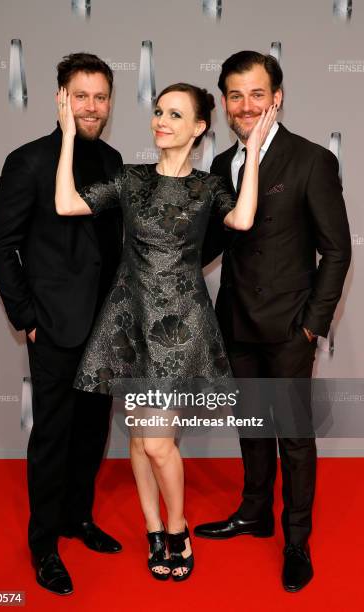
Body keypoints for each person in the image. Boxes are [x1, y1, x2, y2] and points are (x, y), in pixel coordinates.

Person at [55, 81, 277, 581]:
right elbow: (67, 204)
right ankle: (155, 529)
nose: (162, 121)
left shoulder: (209, 186)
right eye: (158, 112)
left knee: (157, 441)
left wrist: (254, 153)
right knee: (140, 438)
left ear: (199, 128)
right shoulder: (129, 179)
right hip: (129, 319)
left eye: (176, 115)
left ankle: (178, 531)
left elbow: (242, 219)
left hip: (180, 326)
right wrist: (69, 134)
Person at [195, 50, 351, 592]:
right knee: (252, 428)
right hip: (235, 320)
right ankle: (254, 512)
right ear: (223, 103)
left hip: (288, 326)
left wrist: (313, 324)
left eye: (256, 93)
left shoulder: (311, 160)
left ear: (276, 97)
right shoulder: (220, 166)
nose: (245, 105)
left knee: (293, 435)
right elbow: (212, 244)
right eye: (234, 95)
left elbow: (337, 250)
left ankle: (296, 540)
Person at [0, 53, 124, 596]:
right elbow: (0, 246)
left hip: (103, 328)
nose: (92, 106)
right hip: (55, 326)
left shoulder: (113, 161)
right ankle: (43, 545)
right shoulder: (29, 162)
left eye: (100, 96)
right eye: (81, 95)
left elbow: (113, 248)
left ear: (111, 102)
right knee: (53, 438)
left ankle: (77, 519)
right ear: (61, 98)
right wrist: (27, 318)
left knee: (92, 432)